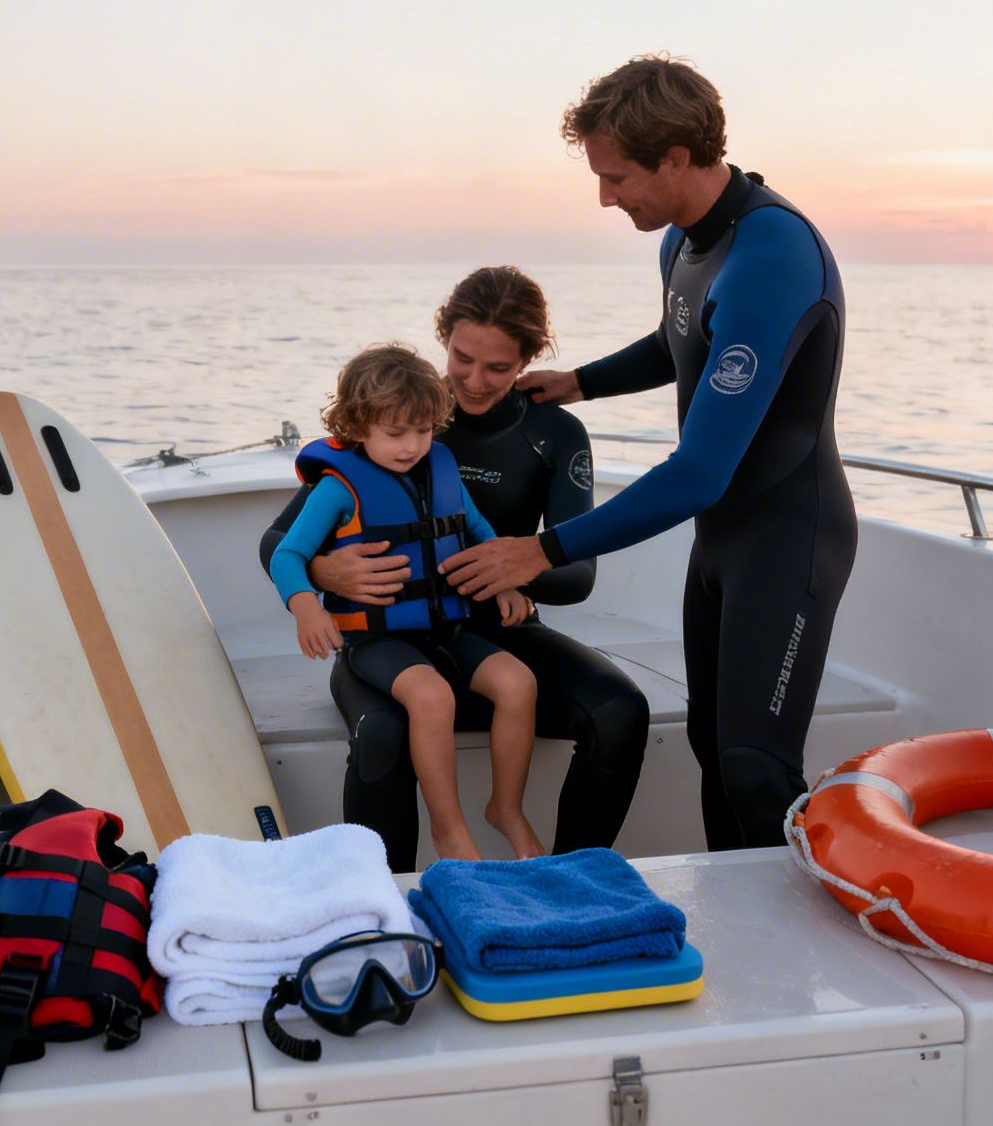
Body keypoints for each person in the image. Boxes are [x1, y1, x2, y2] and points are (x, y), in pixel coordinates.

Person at [440, 55, 857, 852]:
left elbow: (700, 473)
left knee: (755, 767)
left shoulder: (773, 252)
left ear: (675, 157)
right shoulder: (686, 242)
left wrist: (541, 550)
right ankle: (736, 941)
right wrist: (580, 383)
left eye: (617, 177)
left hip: (787, 539)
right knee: (713, 750)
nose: (606, 197)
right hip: (724, 545)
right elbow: (684, 341)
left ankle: (805, 957)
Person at [261, 267, 649, 872]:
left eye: (499, 368)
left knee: (621, 709)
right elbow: (278, 543)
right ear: (443, 336)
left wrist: (513, 570)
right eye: (463, 358)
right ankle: (389, 899)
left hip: (490, 630)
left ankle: (574, 878)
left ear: (530, 358)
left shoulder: (553, 434)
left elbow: (578, 578)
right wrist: (327, 575)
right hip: (388, 636)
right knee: (384, 730)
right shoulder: (394, 412)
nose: (474, 381)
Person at [269, 343, 545, 862]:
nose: (412, 446)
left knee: (518, 682)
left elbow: (477, 530)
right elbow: (287, 554)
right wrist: (307, 606)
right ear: (356, 425)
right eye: (395, 434)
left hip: (448, 629)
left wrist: (507, 583)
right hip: (378, 639)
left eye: (423, 431)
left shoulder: (439, 467)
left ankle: (506, 809)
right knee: (432, 696)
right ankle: (448, 828)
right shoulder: (337, 488)